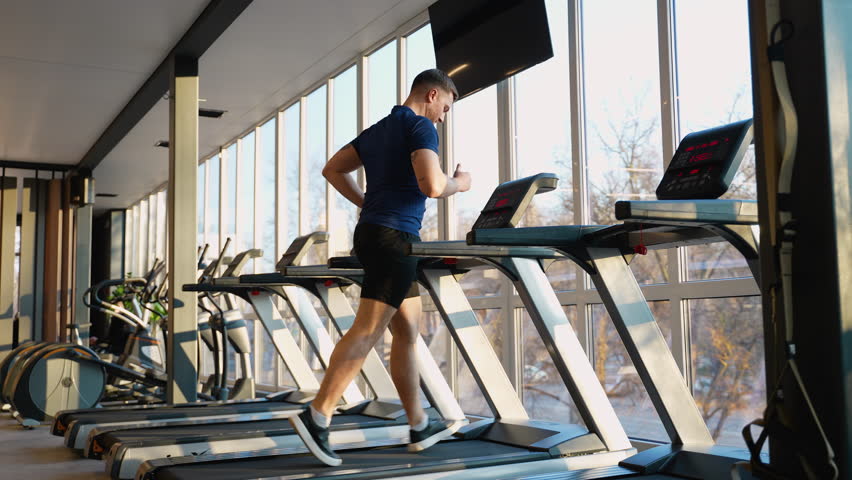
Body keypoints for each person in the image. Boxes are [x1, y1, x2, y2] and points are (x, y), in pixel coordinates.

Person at [289, 68, 471, 466]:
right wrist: (461, 182)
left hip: (373, 233)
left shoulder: (379, 129)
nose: (444, 116)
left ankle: (419, 423)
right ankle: (317, 414)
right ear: (431, 94)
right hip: (395, 241)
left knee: (406, 331)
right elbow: (433, 186)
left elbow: (332, 169)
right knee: (369, 328)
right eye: (446, 106)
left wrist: (368, 205)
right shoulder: (421, 128)